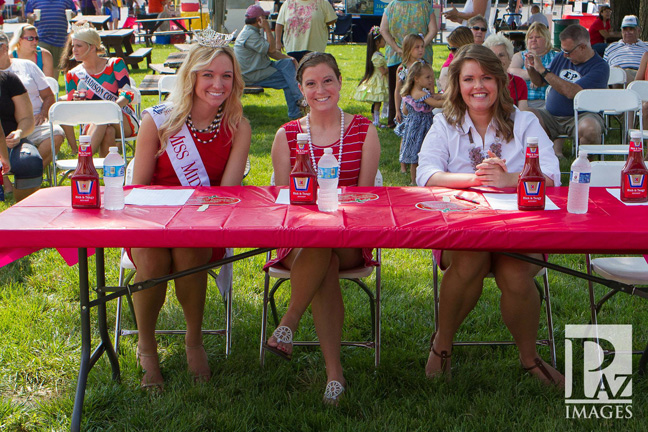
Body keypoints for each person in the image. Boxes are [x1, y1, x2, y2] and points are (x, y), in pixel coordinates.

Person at [416, 44, 564, 388]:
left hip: (520, 230)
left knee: (514, 273)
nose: (477, 86)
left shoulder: (525, 121)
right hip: (463, 231)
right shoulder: (445, 124)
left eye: (486, 77)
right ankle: (442, 345)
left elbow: (553, 175)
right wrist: (477, 179)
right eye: (468, 79)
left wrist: (511, 179)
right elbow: (425, 174)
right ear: (458, 84)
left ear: (499, 82)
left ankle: (530, 358)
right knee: (470, 260)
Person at [130, 34, 251, 389]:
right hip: (152, 223)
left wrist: (193, 218)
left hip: (202, 224)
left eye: (226, 75)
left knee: (190, 249)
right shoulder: (158, 121)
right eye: (208, 74)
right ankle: (147, 347)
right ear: (192, 77)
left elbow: (227, 197)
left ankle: (193, 340)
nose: (218, 83)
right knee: (152, 259)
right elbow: (138, 190)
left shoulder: (237, 127)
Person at [265, 52, 380, 405]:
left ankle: (289, 321)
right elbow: (284, 203)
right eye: (311, 83)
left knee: (326, 245)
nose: (321, 89)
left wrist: (333, 220)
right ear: (301, 89)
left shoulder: (364, 130)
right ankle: (335, 373)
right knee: (319, 249)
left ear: (340, 82)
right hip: (301, 240)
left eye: (327, 80)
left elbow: (366, 200)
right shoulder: (286, 135)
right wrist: (315, 223)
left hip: (350, 237)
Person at [526, 25, 609, 158]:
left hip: (583, 115)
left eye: (568, 51)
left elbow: (572, 92)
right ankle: (540, 164)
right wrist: (531, 68)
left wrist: (543, 70)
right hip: (551, 115)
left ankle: (585, 169)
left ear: (582, 47)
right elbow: (540, 82)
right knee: (526, 116)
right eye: (563, 50)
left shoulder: (600, 67)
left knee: (590, 128)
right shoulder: (562, 57)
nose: (565, 55)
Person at [63, 24, 139, 157]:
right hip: (92, 123)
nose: (74, 50)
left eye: (79, 46)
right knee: (107, 129)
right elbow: (71, 110)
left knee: (103, 117)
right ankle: (107, 173)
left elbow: (127, 94)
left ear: (92, 47)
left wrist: (110, 109)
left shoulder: (115, 64)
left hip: (122, 119)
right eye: (73, 46)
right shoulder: (73, 74)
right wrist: (76, 102)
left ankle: (82, 164)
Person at [0, 32, 64, 172]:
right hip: (4, 124)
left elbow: (48, 95)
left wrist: (42, 113)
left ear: (4, 48)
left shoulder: (27, 66)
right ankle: (8, 182)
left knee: (56, 133)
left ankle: (31, 173)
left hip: (34, 119)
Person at [234, 4, 304, 120]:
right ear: (259, 20)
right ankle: (298, 105)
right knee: (288, 81)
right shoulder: (250, 35)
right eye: (264, 17)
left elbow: (272, 53)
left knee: (287, 65)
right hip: (252, 74)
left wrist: (291, 59)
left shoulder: (250, 31)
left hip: (259, 68)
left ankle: (298, 103)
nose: (266, 19)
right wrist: (267, 28)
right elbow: (272, 49)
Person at [380, 0, 437, 128]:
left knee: (397, 86)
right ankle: (425, 112)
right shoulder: (425, 6)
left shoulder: (391, 6)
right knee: (424, 84)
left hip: (396, 55)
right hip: (423, 56)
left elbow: (383, 29)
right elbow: (433, 30)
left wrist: (398, 49)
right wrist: (422, 45)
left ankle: (394, 118)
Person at [394, 61, 443, 185]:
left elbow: (405, 110)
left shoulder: (411, 93)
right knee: (419, 154)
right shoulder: (421, 94)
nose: (431, 80)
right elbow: (437, 103)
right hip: (421, 127)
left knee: (415, 155)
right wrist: (453, 101)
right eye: (428, 77)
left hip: (414, 127)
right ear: (416, 79)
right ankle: (416, 180)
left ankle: (414, 180)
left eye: (432, 76)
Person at [0, 68, 41, 202]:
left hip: (10, 141)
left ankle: (24, 210)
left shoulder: (8, 79)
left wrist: (19, 132)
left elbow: (27, 120)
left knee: (29, 160)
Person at [509, 22, 558, 109]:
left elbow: (558, 76)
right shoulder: (520, 56)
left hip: (548, 103)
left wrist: (539, 78)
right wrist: (533, 76)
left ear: (546, 39)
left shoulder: (556, 57)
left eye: (538, 37)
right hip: (524, 102)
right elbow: (511, 71)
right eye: (530, 37)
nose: (533, 40)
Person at [25, 0, 78, 77]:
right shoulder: (33, 1)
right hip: (42, 38)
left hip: (61, 39)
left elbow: (74, 11)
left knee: (56, 69)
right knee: (42, 67)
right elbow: (27, 13)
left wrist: (72, 14)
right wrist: (31, 16)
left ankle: (53, 87)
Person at [354, 26, 388, 128]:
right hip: (378, 80)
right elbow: (383, 71)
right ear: (377, 42)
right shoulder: (376, 56)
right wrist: (391, 67)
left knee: (378, 101)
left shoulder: (377, 54)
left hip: (379, 79)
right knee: (377, 101)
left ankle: (376, 120)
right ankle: (376, 120)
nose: (385, 41)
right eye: (383, 39)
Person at [484, 33, 528, 109]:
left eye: (501, 55)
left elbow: (523, 114)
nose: (497, 60)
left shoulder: (519, 83)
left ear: (509, 58)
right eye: (493, 56)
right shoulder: (481, 83)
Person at [603, 15, 648, 83]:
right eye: (625, 29)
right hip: (616, 75)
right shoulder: (611, 47)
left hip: (639, 75)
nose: (627, 32)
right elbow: (604, 67)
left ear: (639, 30)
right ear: (621, 31)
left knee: (619, 74)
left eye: (631, 29)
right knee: (616, 72)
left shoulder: (646, 46)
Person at [438, 26, 473, 92]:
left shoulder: (475, 62)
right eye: (449, 48)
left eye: (454, 49)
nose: (451, 52)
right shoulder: (453, 56)